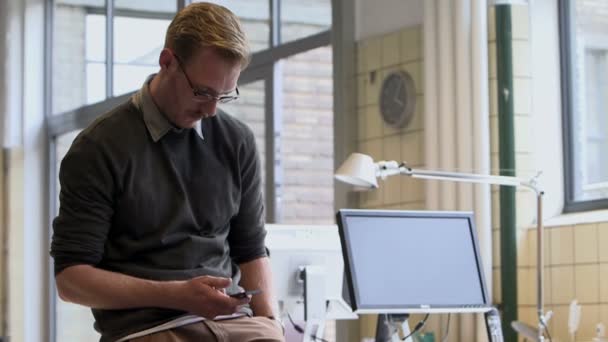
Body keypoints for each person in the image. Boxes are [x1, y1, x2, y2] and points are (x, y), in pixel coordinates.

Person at [50, 3, 284, 341]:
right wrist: (175, 294)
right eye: (202, 92)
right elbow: (70, 281)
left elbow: (251, 251)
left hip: (236, 324)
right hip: (149, 329)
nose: (211, 109)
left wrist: (271, 324)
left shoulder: (237, 142)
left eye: (224, 95)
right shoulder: (98, 148)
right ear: (167, 62)